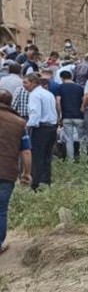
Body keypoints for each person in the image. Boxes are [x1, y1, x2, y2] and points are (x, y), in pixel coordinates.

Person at [0, 91, 32, 254]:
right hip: (7, 171)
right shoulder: (19, 123)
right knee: (1, 209)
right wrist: (27, 173)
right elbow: (26, 152)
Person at [23, 74, 57, 192]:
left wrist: (26, 128)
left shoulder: (35, 95)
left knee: (37, 157)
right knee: (47, 156)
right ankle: (45, 181)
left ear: (33, 82)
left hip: (40, 129)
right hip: (52, 127)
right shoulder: (48, 93)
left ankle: (36, 184)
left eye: (26, 83)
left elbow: (35, 114)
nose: (24, 86)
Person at [57, 70, 85, 162]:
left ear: (62, 78)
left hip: (66, 116)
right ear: (71, 77)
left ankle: (70, 160)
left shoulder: (60, 87)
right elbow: (83, 100)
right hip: (79, 116)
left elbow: (58, 101)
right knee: (82, 138)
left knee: (69, 139)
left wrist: (60, 115)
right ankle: (83, 158)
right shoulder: (80, 87)